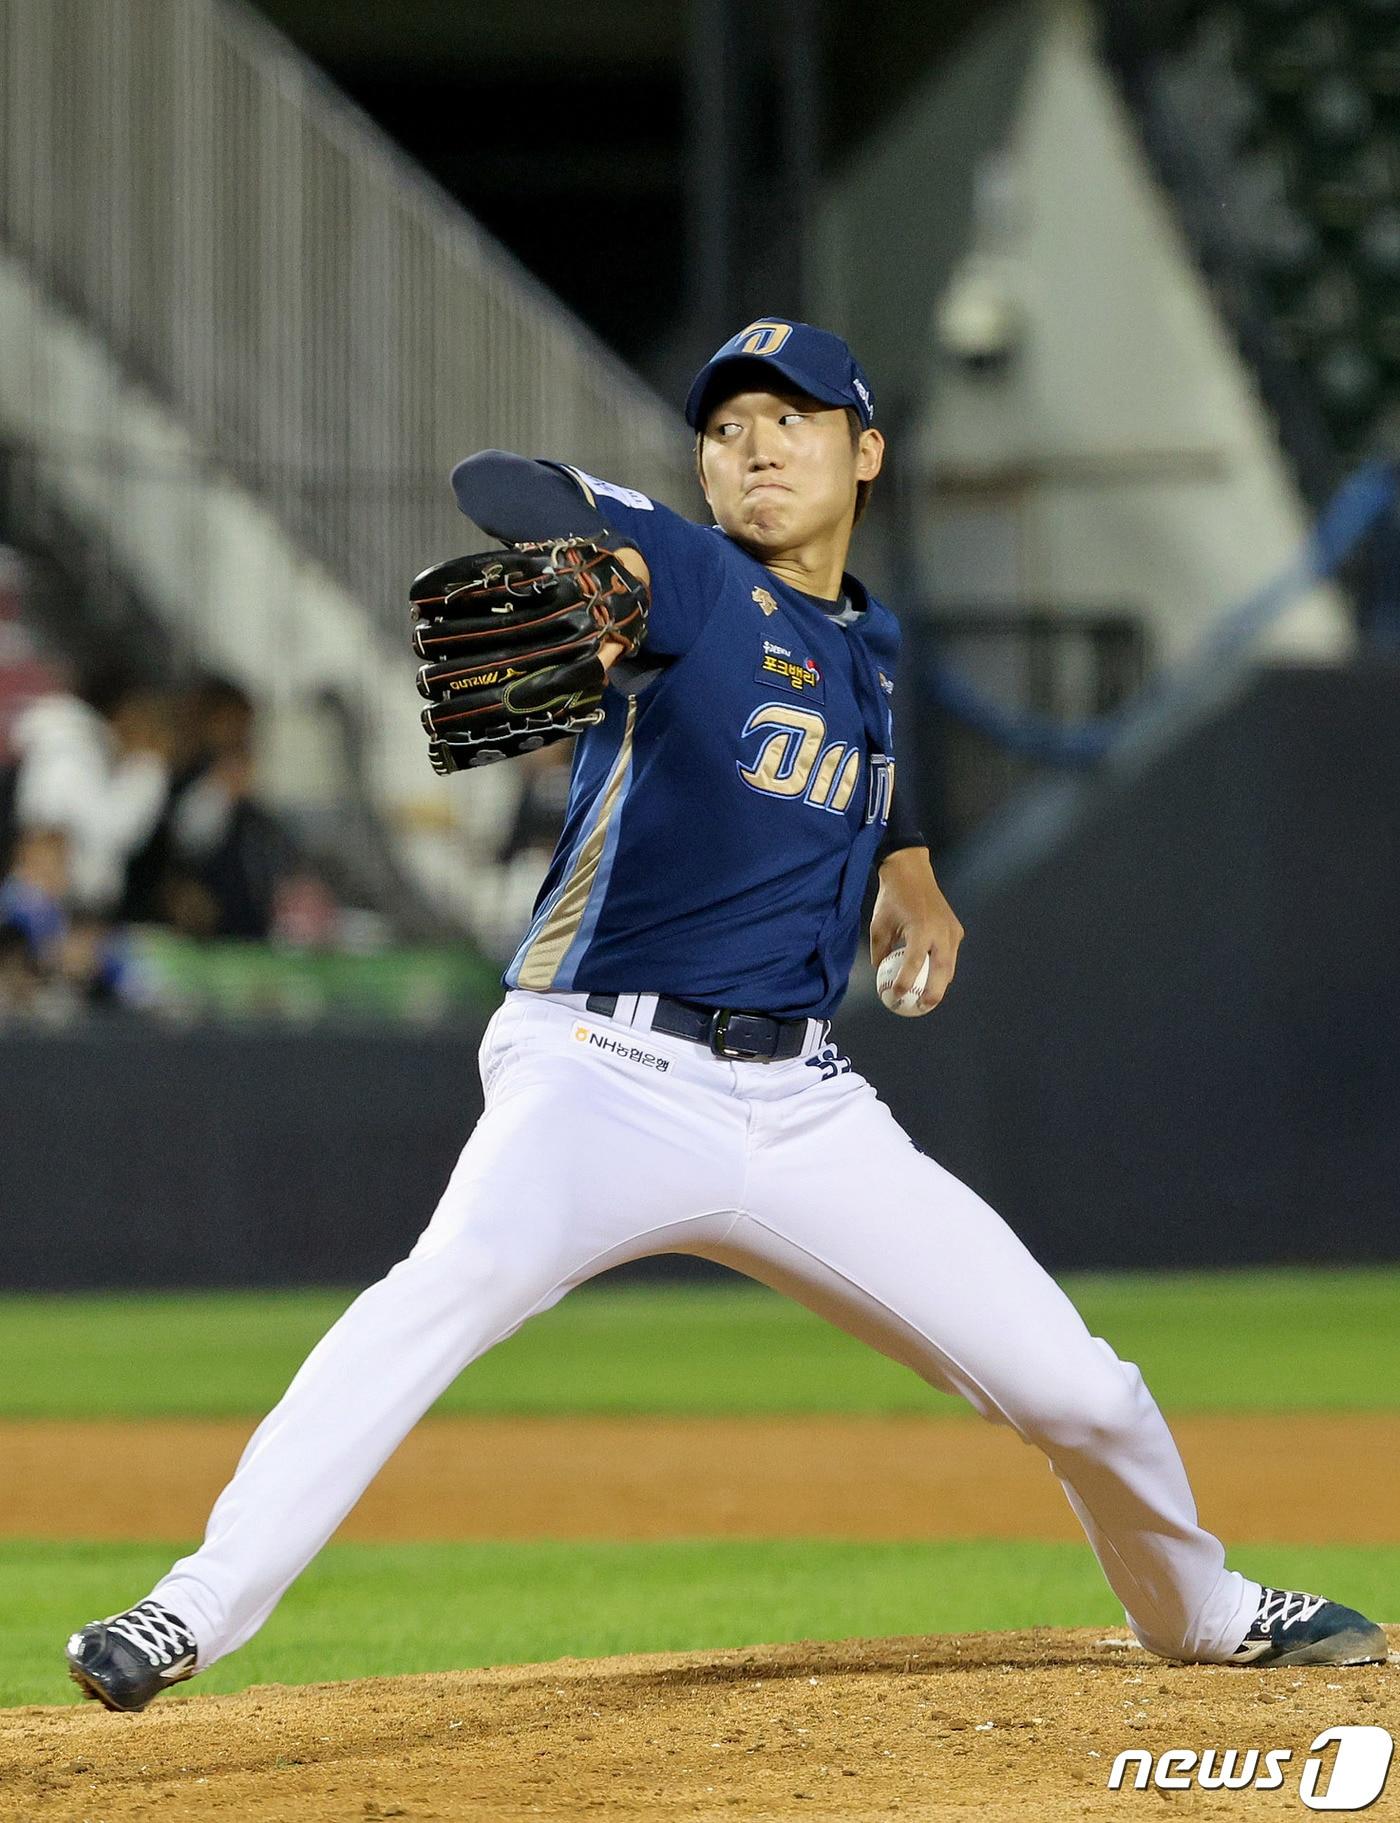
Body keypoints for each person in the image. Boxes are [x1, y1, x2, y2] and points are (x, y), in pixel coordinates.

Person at [65, 318, 1386, 1711]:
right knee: (439, 1298)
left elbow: (881, 787)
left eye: (793, 419)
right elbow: (501, 480)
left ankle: (1199, 1606)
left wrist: (915, 887)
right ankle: (186, 1611)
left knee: (1087, 1393)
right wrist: (606, 571)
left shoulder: (868, 647)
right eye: (728, 426)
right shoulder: (692, 575)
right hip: (601, 1065)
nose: (755, 446)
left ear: (865, 453)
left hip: (804, 1106)